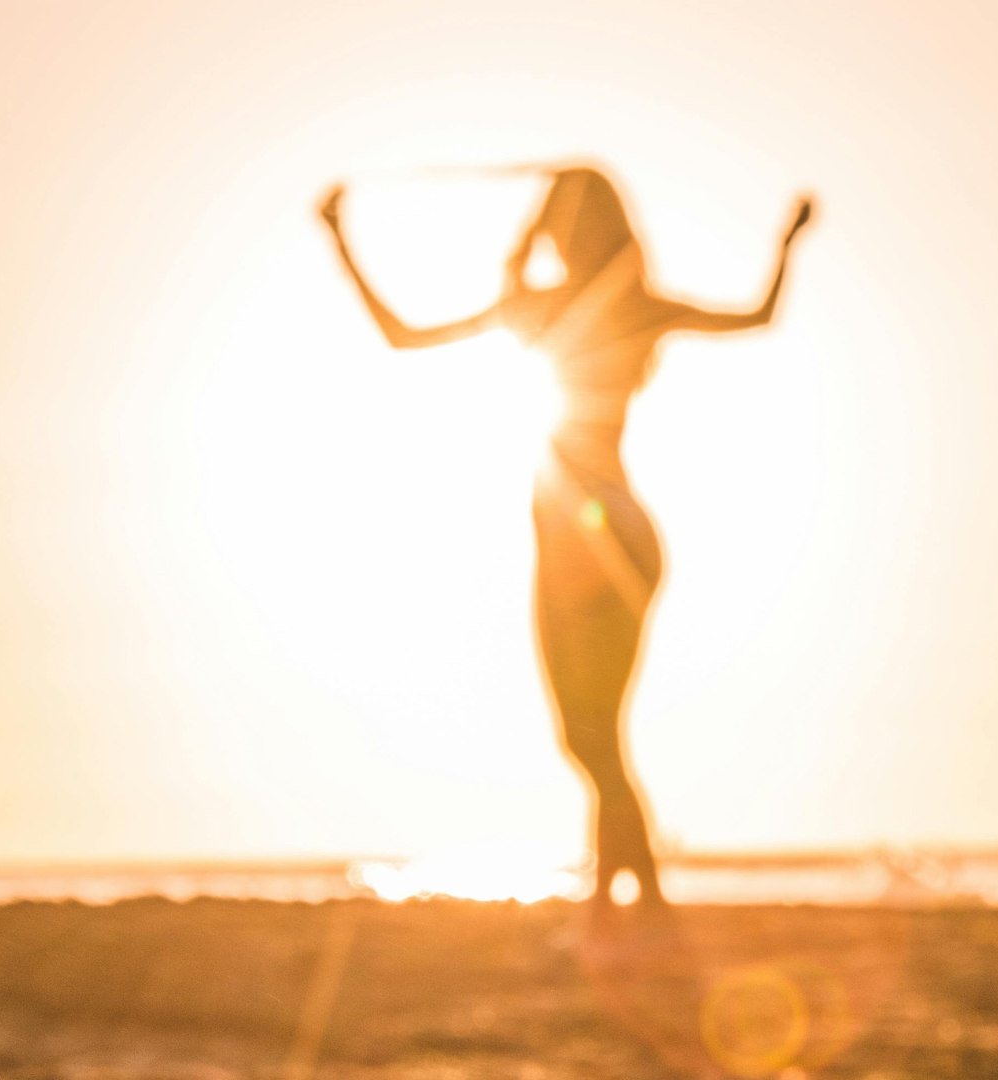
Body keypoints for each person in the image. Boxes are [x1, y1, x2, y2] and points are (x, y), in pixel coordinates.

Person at [320, 165, 813, 909]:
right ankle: (620, 897)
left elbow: (403, 336)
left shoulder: (539, 306)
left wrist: (338, 237)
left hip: (579, 535)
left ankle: (636, 898)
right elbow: (759, 315)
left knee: (588, 736)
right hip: (625, 529)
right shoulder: (635, 305)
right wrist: (788, 242)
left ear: (557, 231)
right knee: (596, 733)